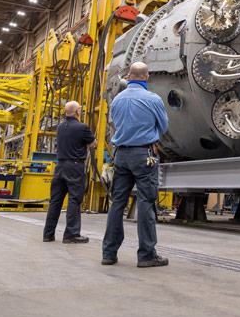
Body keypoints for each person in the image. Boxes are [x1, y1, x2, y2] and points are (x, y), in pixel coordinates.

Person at [102, 62, 170, 268]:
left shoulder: (117, 100)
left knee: (117, 204)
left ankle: (109, 253)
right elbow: (164, 127)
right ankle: (146, 255)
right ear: (147, 77)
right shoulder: (153, 99)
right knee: (145, 203)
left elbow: (114, 123)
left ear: (128, 76)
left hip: (121, 155)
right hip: (145, 155)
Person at [43, 101, 97, 244]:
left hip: (59, 166)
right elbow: (93, 143)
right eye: (79, 109)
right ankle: (71, 234)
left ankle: (48, 234)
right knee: (74, 199)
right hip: (74, 166)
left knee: (55, 201)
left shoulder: (60, 127)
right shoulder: (82, 127)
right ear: (77, 112)